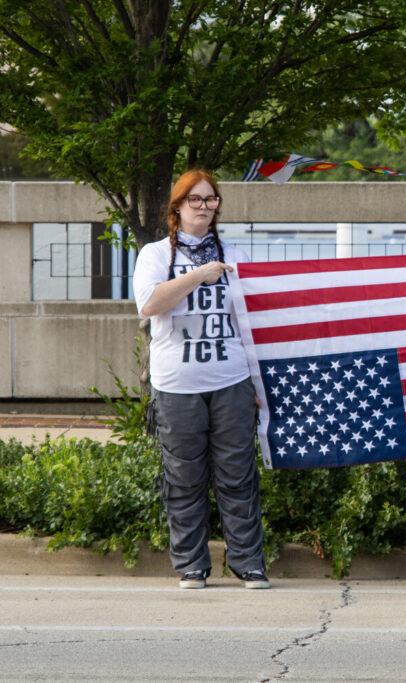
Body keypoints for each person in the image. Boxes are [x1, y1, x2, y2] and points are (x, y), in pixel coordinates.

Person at [132, 169, 270, 590]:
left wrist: (257, 382)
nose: (204, 206)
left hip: (230, 379)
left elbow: (251, 323)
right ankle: (191, 566)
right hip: (177, 385)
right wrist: (195, 276)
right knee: (184, 477)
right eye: (195, 199)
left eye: (211, 199)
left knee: (237, 474)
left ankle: (249, 564)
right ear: (177, 207)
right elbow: (150, 304)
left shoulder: (235, 254)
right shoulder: (156, 255)